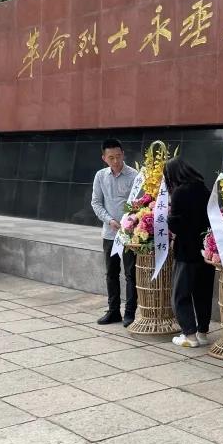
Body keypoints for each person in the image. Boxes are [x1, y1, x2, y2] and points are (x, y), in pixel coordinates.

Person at [164, 157, 215, 348]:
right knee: (203, 293)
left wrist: (168, 219)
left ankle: (189, 335)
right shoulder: (204, 189)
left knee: (181, 294)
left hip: (186, 251)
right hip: (205, 250)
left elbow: (177, 224)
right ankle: (202, 333)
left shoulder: (179, 192)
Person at [91, 139, 139, 326]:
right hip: (110, 234)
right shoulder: (100, 176)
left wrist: (129, 222)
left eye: (118, 156)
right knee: (111, 274)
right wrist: (109, 220)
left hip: (129, 235)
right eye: (111, 158)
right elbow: (96, 202)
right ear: (104, 158)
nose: (116, 161)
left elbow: (140, 203)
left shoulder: (134, 176)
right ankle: (113, 311)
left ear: (123, 154)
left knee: (131, 274)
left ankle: (130, 313)